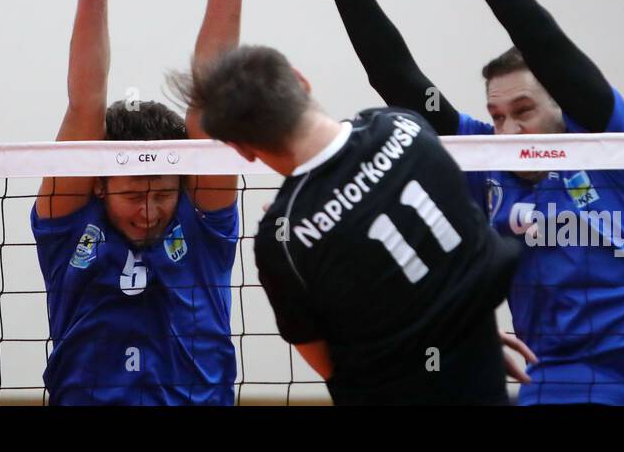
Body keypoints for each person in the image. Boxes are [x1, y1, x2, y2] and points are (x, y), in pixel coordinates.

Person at [256, 0, 624, 405]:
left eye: (524, 110)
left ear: (565, 105)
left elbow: (540, 35)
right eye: (496, 116)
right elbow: (397, 79)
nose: (508, 130)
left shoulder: (611, 149)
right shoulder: (487, 164)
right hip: (553, 380)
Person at [170, 44, 527, 405]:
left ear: (241, 149)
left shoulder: (282, 240)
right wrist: (460, 337)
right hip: (481, 375)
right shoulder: (405, 126)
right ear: (300, 79)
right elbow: (465, 256)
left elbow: (327, 365)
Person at [29, 0, 265, 404]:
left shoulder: (202, 225)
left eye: (162, 193)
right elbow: (84, 104)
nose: (149, 209)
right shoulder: (69, 226)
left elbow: (210, 101)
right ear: (98, 187)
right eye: (134, 193)